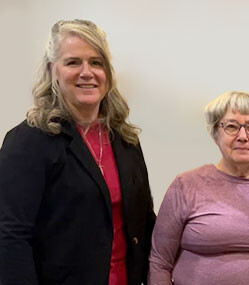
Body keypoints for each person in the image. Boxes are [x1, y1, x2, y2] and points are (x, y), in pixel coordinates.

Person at [0, 19, 155, 284]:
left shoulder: (125, 139)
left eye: (96, 62)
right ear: (53, 71)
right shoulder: (28, 141)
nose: (87, 72)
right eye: (73, 62)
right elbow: (10, 237)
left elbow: (144, 221)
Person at [149, 91, 249, 285]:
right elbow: (160, 262)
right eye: (232, 127)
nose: (243, 136)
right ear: (216, 134)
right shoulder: (185, 185)